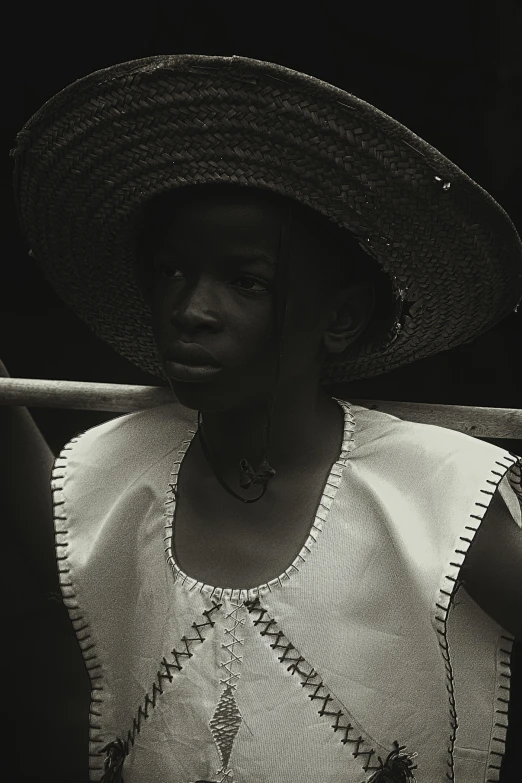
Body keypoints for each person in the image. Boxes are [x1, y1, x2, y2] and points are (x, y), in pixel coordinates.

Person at [9, 53, 522, 783]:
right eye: (174, 272)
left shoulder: (436, 491)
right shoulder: (112, 468)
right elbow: (56, 546)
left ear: (339, 318)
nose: (191, 310)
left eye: (246, 281)